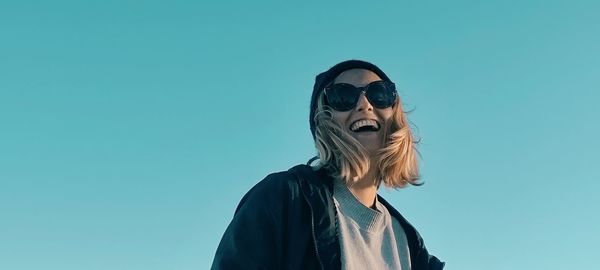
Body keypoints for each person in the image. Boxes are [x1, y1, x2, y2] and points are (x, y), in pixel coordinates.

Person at [211, 60, 445, 270]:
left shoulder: (411, 246)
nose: (364, 104)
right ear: (323, 119)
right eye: (343, 97)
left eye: (379, 94)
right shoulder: (282, 199)